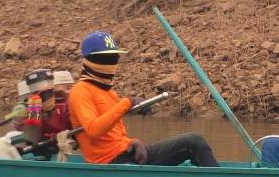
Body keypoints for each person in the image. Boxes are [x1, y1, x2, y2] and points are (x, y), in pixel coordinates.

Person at [67, 30, 220, 167]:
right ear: (89, 60)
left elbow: (115, 136)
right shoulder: (81, 91)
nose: (110, 63)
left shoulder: (109, 93)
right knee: (192, 142)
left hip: (126, 154)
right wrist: (127, 103)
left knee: (194, 142)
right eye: (105, 58)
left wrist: (131, 142)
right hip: (109, 162)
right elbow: (93, 130)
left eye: (114, 57)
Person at [13, 68, 73, 158]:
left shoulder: (65, 106)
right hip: (41, 146)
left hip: (54, 144)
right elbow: (31, 136)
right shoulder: (30, 109)